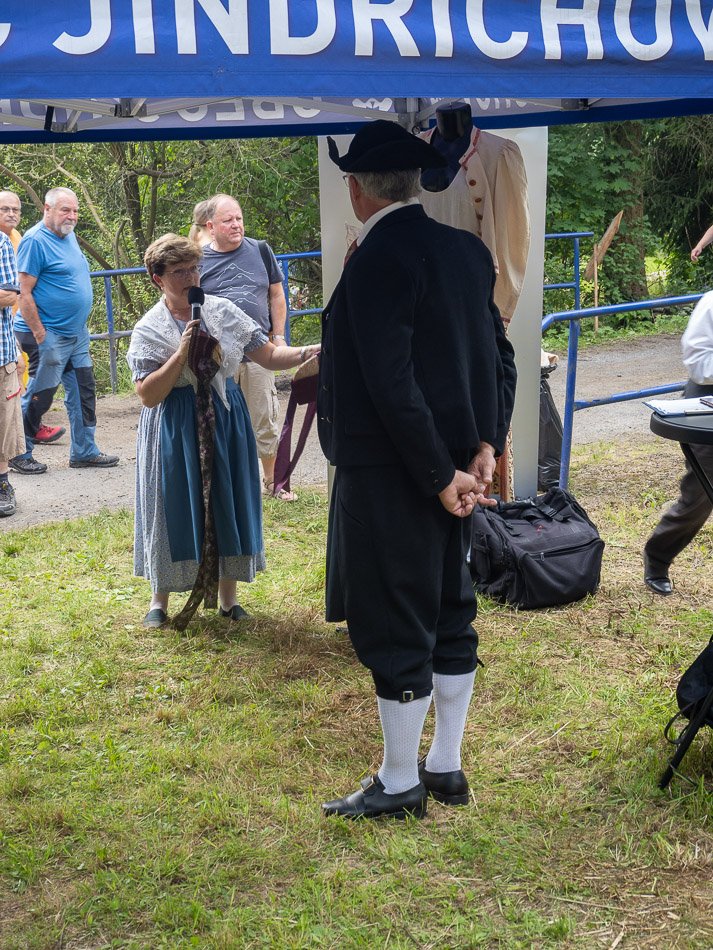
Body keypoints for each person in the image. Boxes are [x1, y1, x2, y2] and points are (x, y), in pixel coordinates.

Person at [318, 120, 517, 820]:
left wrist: (439, 475)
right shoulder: (465, 250)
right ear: (413, 184)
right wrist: (486, 445)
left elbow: (391, 382)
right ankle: (445, 766)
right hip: (453, 466)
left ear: (357, 188)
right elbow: (498, 356)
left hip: (395, 474)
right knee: (449, 610)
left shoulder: (375, 259)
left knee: (396, 616)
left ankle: (401, 780)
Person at [127, 234, 319, 628]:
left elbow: (268, 355)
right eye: (179, 271)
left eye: (194, 268)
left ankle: (229, 599)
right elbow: (148, 395)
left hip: (225, 415)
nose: (190, 277)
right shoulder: (149, 328)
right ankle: (159, 600)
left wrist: (309, 351)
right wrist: (182, 352)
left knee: (227, 498)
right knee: (171, 503)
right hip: (174, 423)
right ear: (157, 278)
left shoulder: (223, 311)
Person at [10, 187, 118, 475]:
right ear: (47, 209)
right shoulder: (35, 240)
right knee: (41, 394)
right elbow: (23, 292)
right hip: (47, 334)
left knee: (84, 391)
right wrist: (41, 335)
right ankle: (19, 453)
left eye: (75, 211)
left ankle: (84, 451)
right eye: (65, 210)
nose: (72, 216)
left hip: (76, 334)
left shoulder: (68, 234)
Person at [199, 193, 297, 500]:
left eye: (239, 218)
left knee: (264, 417)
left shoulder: (260, 250)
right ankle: (227, 486)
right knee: (220, 421)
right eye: (228, 220)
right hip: (218, 357)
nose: (236, 225)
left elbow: (277, 294)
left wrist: (278, 336)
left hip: (259, 353)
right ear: (210, 226)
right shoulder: (198, 260)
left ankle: (273, 481)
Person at [643, 292, 713, 594]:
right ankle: (658, 556)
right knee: (701, 493)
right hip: (707, 402)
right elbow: (698, 364)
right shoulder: (711, 303)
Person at [0, 190, 65, 446]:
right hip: (14, 323)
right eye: (5, 209)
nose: (11, 214)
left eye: (15, 209)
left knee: (21, 371)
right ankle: (27, 431)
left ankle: (27, 429)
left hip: (16, 321)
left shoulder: (17, 238)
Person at [0, 227, 25, 517]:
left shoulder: (2, 242)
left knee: (3, 426)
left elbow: (8, 295)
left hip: (1, 355)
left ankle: (3, 485)